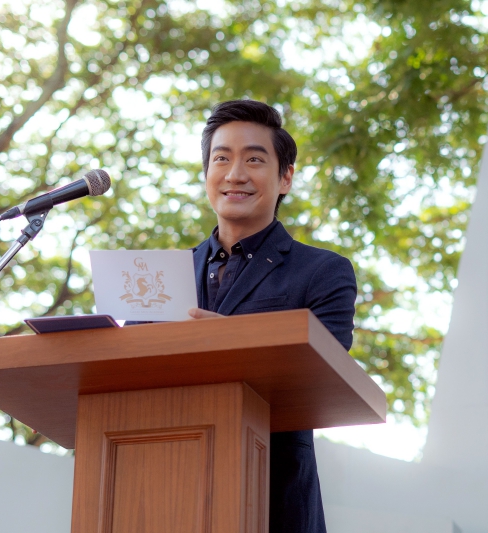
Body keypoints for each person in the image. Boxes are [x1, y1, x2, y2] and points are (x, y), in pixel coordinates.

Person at [187, 99, 357, 533]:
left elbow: (321, 375)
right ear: (206, 174)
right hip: (167, 487)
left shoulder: (323, 272)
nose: (235, 174)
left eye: (254, 159)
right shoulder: (164, 276)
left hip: (272, 499)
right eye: (221, 159)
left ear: (285, 178)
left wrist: (234, 340)